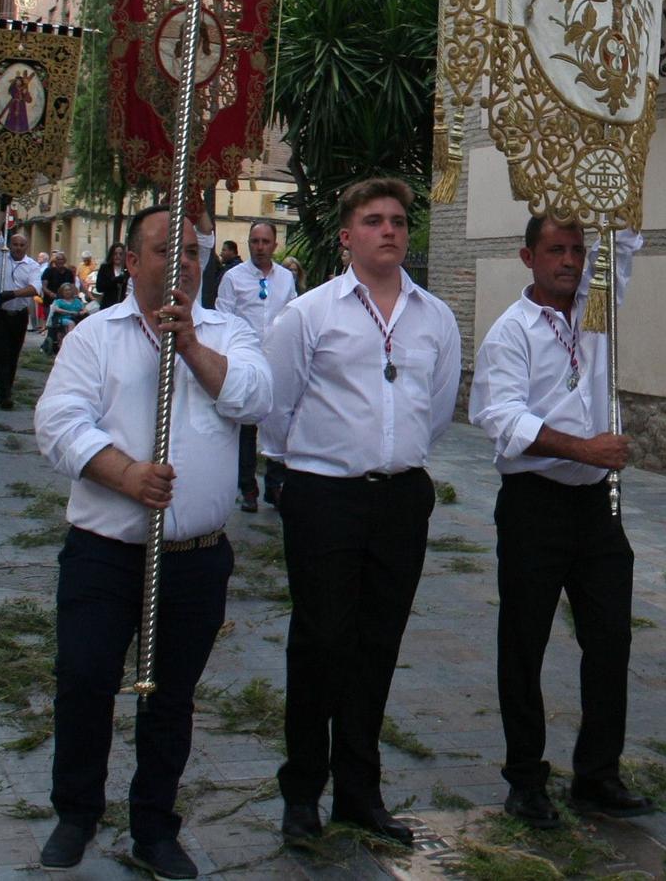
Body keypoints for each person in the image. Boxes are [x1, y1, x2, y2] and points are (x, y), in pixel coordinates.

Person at [33, 203, 272, 878]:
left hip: (194, 559)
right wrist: (125, 473)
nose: (184, 263)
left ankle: (154, 824)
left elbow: (256, 398)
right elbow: (56, 423)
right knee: (84, 678)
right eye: (166, 250)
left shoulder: (229, 333)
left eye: (193, 251)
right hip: (106, 551)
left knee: (170, 696)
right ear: (130, 261)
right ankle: (76, 810)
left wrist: (192, 345)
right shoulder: (95, 335)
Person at [258, 178, 462, 847]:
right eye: (373, 220)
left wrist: (394, 456)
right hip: (324, 494)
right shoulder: (310, 314)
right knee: (321, 643)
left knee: (377, 645)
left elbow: (435, 408)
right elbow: (278, 403)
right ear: (346, 235)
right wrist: (293, 473)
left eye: (399, 220)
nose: (390, 231)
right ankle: (301, 794)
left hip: (399, 496)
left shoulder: (434, 315)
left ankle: (358, 790)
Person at [471, 216, 652, 830]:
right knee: (524, 643)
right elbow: (502, 419)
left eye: (578, 249)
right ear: (529, 256)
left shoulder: (596, 314)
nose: (570, 260)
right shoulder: (511, 332)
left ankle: (597, 773)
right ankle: (525, 780)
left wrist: (616, 190)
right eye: (557, 250)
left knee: (610, 639)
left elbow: (621, 246)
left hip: (596, 506)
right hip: (535, 504)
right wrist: (585, 448)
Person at [214, 220, 297, 514]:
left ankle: (275, 484)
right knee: (247, 426)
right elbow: (224, 317)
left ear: (274, 245)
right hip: (246, 358)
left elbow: (292, 315)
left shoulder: (286, 278)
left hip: (277, 359)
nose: (259, 247)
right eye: (254, 241)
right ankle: (247, 486)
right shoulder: (233, 277)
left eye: (265, 242)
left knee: (279, 421)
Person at [0, 232, 44, 409]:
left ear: (26, 247)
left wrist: (12, 294)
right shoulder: (0, 257)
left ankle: (7, 389)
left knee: (13, 354)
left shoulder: (32, 266)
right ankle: (3, 393)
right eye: (15, 244)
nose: (18, 248)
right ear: (10, 245)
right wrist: (3, 207)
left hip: (18, 314)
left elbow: (35, 288)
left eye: (21, 245)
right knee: (1, 353)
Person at [45, 280, 86, 355]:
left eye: (69, 290)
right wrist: (70, 312)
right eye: (66, 290)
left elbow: (84, 309)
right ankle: (71, 343)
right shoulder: (59, 301)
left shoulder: (77, 301)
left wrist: (82, 312)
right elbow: (56, 309)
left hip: (77, 318)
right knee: (71, 323)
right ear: (62, 292)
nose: (68, 292)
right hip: (62, 319)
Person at [92, 242, 130, 310]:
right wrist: (115, 281)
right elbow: (99, 287)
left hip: (123, 305)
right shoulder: (105, 268)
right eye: (115, 254)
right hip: (108, 305)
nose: (118, 256)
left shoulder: (128, 269)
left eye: (120, 254)